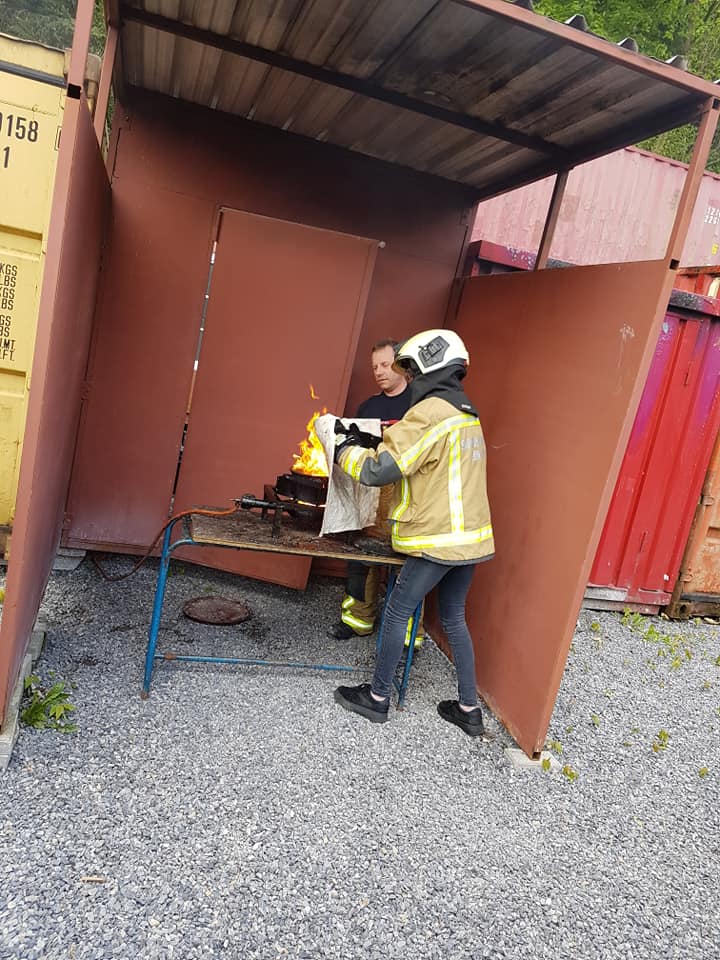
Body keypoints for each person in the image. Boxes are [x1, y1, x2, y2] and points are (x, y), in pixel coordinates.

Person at [331, 329, 494, 737]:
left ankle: (378, 698)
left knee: (396, 610)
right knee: (454, 617)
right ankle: (469, 709)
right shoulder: (467, 415)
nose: (410, 377)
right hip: (470, 539)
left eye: (411, 369)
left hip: (437, 540)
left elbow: (377, 470)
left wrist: (345, 449)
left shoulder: (430, 413)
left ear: (427, 368)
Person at [327, 339, 425, 648]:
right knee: (361, 559)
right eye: (374, 367)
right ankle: (357, 621)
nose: (379, 372)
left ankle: (409, 638)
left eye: (385, 365)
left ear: (401, 365)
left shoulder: (420, 403)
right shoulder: (368, 408)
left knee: (407, 566)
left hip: (407, 497)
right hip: (370, 495)